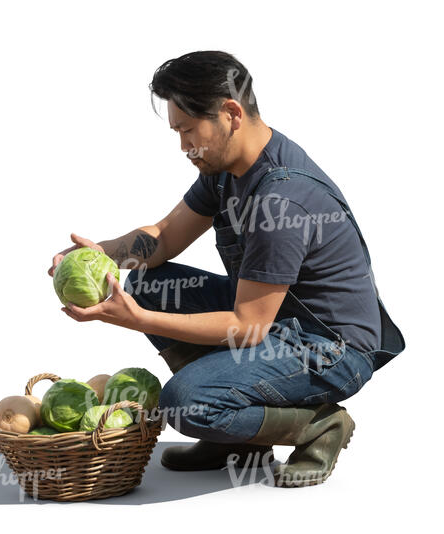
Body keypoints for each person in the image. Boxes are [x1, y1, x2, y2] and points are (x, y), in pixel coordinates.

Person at [48, 50, 405, 487]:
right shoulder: (229, 168)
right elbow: (162, 237)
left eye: (187, 130)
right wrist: (96, 256)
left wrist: (135, 320)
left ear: (230, 113)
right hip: (277, 321)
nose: (183, 146)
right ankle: (236, 432)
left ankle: (318, 425)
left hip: (329, 348)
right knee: (147, 281)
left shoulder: (281, 200)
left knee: (182, 403)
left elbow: (248, 327)